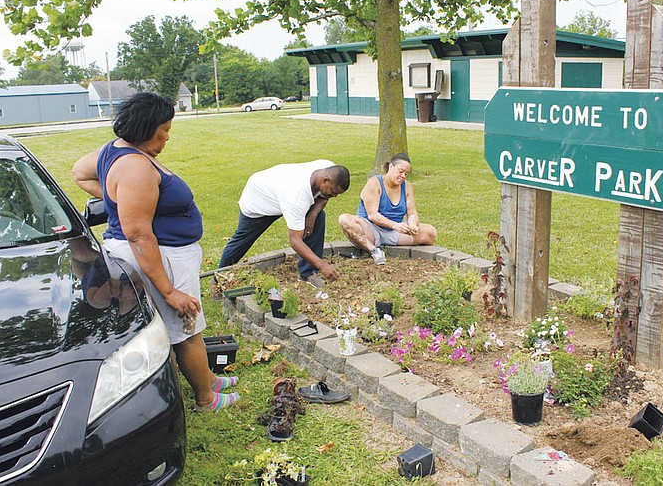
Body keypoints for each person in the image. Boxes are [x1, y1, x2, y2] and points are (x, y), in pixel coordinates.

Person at [72, 92, 239, 412]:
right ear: (148, 127)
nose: (167, 137)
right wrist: (169, 290)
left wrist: (117, 200)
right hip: (162, 258)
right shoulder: (136, 167)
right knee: (186, 329)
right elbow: (137, 233)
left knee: (190, 328)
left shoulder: (113, 150)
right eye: (165, 129)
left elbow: (80, 172)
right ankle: (206, 398)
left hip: (164, 253)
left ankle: (207, 379)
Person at [218, 160, 350, 287]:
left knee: (319, 216)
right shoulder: (296, 196)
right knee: (241, 242)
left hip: (281, 191)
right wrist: (322, 265)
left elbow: (323, 197)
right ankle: (218, 280)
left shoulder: (328, 168)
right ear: (324, 180)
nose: (334, 196)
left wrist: (312, 214)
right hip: (259, 202)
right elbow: (295, 240)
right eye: (333, 192)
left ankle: (308, 273)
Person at [338, 153, 437, 264]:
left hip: (394, 231)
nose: (403, 176)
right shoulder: (374, 183)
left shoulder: (407, 186)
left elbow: (412, 212)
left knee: (430, 233)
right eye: (401, 171)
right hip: (370, 230)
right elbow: (373, 215)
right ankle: (374, 250)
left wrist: (412, 225)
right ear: (391, 167)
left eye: (406, 173)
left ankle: (388, 244)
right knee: (344, 219)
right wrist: (395, 225)